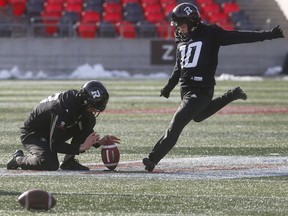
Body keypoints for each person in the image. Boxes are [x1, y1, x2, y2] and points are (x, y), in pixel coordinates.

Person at [143, 3, 285, 171]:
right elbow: (178, 68)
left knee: (177, 123)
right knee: (199, 115)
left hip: (201, 90)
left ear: (192, 21)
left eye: (182, 24)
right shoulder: (182, 40)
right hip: (187, 91)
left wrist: (267, 35)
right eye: (178, 25)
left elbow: (238, 36)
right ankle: (232, 95)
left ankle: (153, 158)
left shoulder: (210, 33)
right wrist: (168, 87)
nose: (179, 29)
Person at [7, 80, 120, 171]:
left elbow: (85, 132)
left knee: (87, 121)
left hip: (51, 129)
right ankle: (18, 159)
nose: (93, 111)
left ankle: (68, 162)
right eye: (92, 107)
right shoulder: (63, 109)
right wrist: (81, 147)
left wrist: (99, 142)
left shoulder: (80, 104)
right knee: (49, 164)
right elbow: (55, 144)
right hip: (33, 133)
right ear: (85, 101)